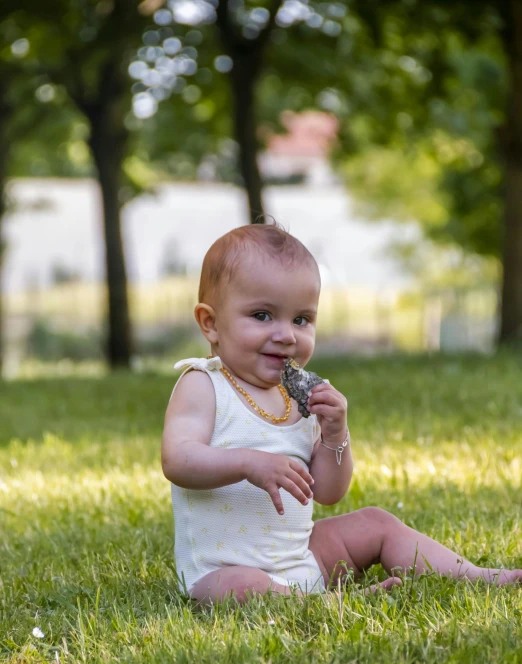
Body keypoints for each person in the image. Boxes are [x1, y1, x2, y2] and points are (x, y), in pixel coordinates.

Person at [161, 223, 521, 606]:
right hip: (223, 569)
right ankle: (321, 604)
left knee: (376, 522)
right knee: (238, 585)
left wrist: (335, 436)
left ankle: (477, 576)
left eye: (301, 320)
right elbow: (178, 459)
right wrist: (248, 462)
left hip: (301, 557)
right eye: (263, 315)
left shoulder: (299, 397)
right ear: (210, 323)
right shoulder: (204, 384)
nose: (286, 335)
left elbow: (328, 493)